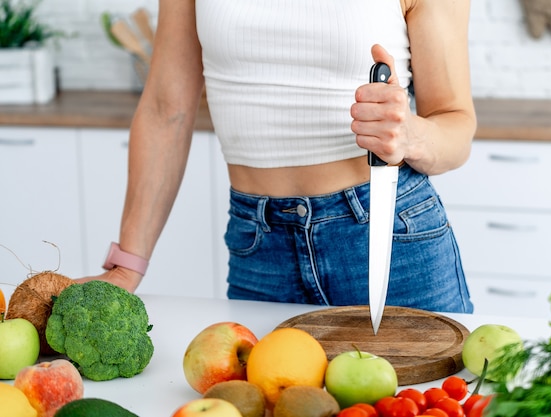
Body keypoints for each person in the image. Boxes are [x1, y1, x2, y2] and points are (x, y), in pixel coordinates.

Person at [78, 0, 477, 313]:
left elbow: (456, 125)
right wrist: (128, 263)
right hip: (259, 245)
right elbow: (167, 110)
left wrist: (410, 134)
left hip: (387, 236)